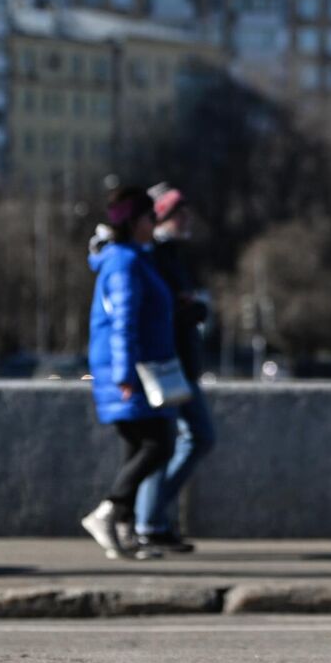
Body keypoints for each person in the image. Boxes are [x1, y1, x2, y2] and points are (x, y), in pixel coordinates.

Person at [78, 185, 178, 561]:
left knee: (139, 445)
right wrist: (124, 375)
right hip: (131, 370)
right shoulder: (125, 262)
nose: (156, 223)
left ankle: (124, 529)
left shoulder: (133, 257)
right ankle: (107, 512)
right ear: (136, 221)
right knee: (159, 443)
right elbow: (123, 321)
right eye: (152, 217)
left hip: (136, 366)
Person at [132, 183, 215, 553]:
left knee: (177, 440)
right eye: (179, 213)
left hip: (179, 362)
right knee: (184, 439)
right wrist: (191, 310)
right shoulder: (155, 256)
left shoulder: (169, 255)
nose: (187, 220)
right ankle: (148, 519)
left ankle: (152, 519)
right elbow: (158, 309)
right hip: (168, 363)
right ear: (162, 217)